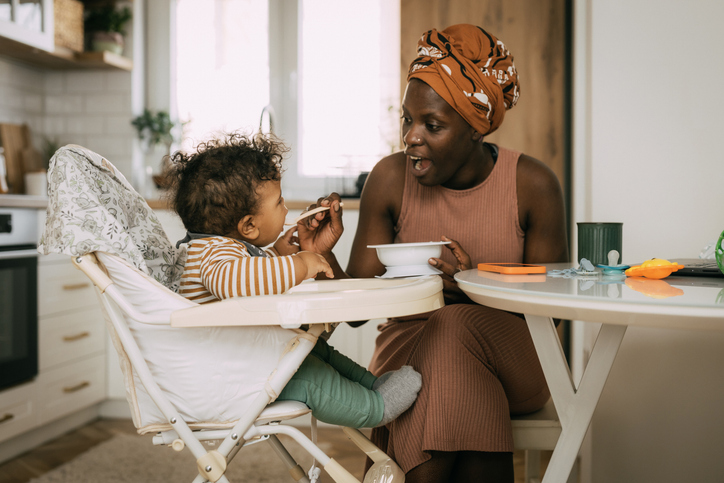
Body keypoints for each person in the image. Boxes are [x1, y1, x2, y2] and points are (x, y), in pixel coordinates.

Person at [296, 24, 569, 482]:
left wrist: (469, 288)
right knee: (446, 356)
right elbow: (360, 312)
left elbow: (553, 315)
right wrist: (322, 255)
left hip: (513, 360)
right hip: (407, 354)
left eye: (432, 125)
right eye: (407, 119)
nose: (411, 137)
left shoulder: (532, 185)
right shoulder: (388, 178)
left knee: (451, 324)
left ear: (475, 129)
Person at [165, 132, 422, 429]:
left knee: (309, 348)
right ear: (248, 225)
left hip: (242, 366)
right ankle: (376, 408)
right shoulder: (211, 254)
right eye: (279, 202)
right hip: (230, 380)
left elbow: (244, 280)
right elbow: (231, 283)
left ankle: (372, 386)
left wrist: (276, 254)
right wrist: (297, 264)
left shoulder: (219, 249)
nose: (286, 208)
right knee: (307, 375)